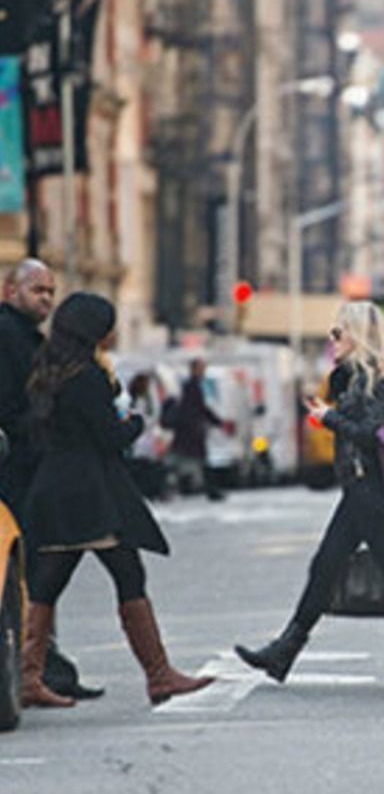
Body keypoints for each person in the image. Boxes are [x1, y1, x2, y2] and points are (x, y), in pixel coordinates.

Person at [235, 302, 384, 689]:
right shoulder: (352, 376)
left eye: (338, 332)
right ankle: (284, 651)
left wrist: (328, 418)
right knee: (326, 566)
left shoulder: (373, 378)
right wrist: (331, 407)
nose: (332, 339)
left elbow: (371, 433)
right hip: (358, 488)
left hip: (369, 489)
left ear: (357, 334)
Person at [21, 293, 214, 708]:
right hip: (90, 495)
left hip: (53, 490)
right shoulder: (87, 376)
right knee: (128, 575)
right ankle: (159, 676)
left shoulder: (46, 370)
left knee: (48, 583)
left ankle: (28, 676)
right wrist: (135, 422)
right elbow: (109, 438)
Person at [0, 260, 103, 702]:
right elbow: (14, 407)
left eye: (50, 291)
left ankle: (40, 668)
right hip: (18, 472)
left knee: (41, 570)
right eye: (37, 290)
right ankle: (37, 670)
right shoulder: (7, 336)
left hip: (31, 469)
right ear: (10, 291)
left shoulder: (27, 337)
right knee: (34, 572)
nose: (46, 299)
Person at [168, 358, 232, 501]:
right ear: (194, 369)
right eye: (201, 368)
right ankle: (209, 490)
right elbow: (198, 409)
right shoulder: (192, 386)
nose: (204, 371)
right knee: (183, 460)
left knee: (188, 459)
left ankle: (208, 489)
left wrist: (217, 422)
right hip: (190, 431)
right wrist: (218, 422)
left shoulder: (192, 385)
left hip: (189, 430)